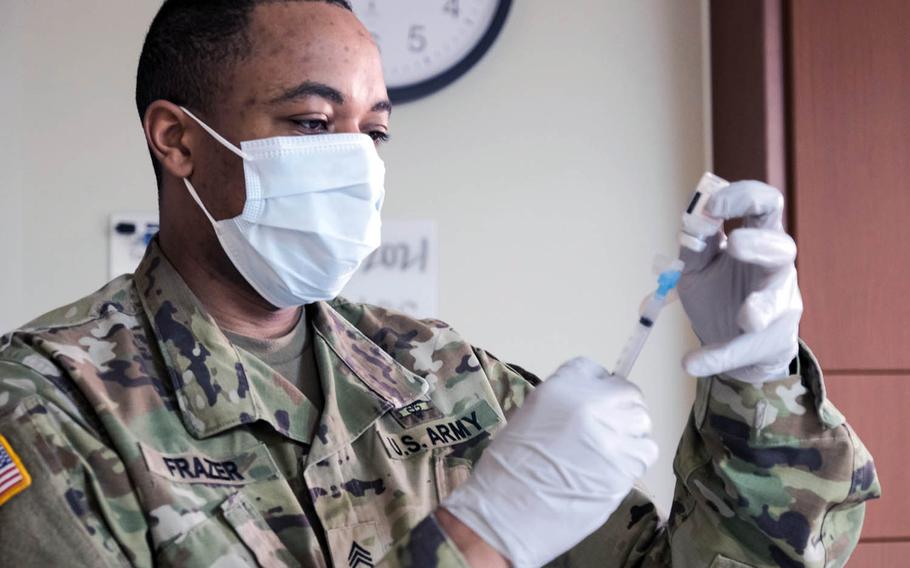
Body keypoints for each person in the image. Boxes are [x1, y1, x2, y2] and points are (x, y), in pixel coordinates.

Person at [0, 1, 879, 567]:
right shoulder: (48, 412)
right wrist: (476, 541)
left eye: (371, 131)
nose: (354, 160)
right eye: (311, 122)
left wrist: (757, 394)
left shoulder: (434, 372)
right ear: (177, 140)